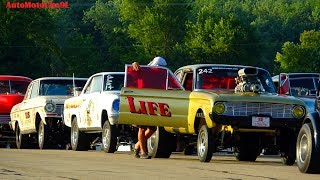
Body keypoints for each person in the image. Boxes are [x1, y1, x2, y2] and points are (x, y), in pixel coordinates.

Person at [131, 56, 167, 159]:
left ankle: (137, 145)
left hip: (154, 102)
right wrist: (134, 63)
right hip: (141, 101)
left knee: (152, 128)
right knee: (142, 128)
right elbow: (132, 73)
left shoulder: (163, 75)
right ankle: (143, 152)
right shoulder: (143, 71)